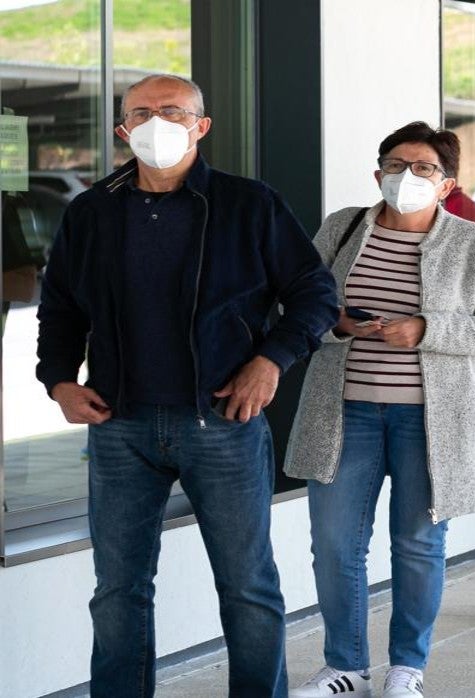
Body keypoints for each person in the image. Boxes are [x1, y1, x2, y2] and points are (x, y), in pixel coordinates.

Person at [35, 74, 338, 697]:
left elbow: (314, 293)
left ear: (202, 125)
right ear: (122, 129)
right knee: (118, 591)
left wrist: (272, 360)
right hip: (119, 427)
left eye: (172, 111)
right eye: (140, 113)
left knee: (248, 588)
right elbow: (59, 308)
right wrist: (59, 381)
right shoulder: (92, 211)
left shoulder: (249, 205)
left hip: (221, 423)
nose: (155, 123)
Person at [285, 122, 475, 697]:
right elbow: (301, 305)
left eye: (423, 169)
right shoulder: (341, 229)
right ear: (377, 173)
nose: (407, 177)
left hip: (432, 422)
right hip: (345, 414)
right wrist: (335, 324)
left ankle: (406, 669)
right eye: (395, 165)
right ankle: (344, 667)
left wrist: (425, 329)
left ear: (446, 185)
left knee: (417, 545)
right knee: (337, 545)